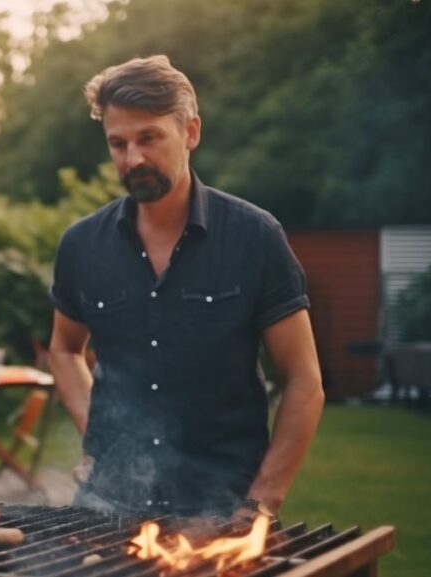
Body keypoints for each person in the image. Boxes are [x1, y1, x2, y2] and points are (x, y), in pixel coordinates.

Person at [48, 55, 324, 518]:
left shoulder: (255, 237)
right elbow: (63, 349)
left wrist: (265, 499)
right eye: (118, 144)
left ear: (191, 133)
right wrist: (98, 435)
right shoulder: (81, 244)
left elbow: (303, 381)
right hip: (106, 506)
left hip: (221, 510)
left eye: (149, 138)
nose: (132, 158)